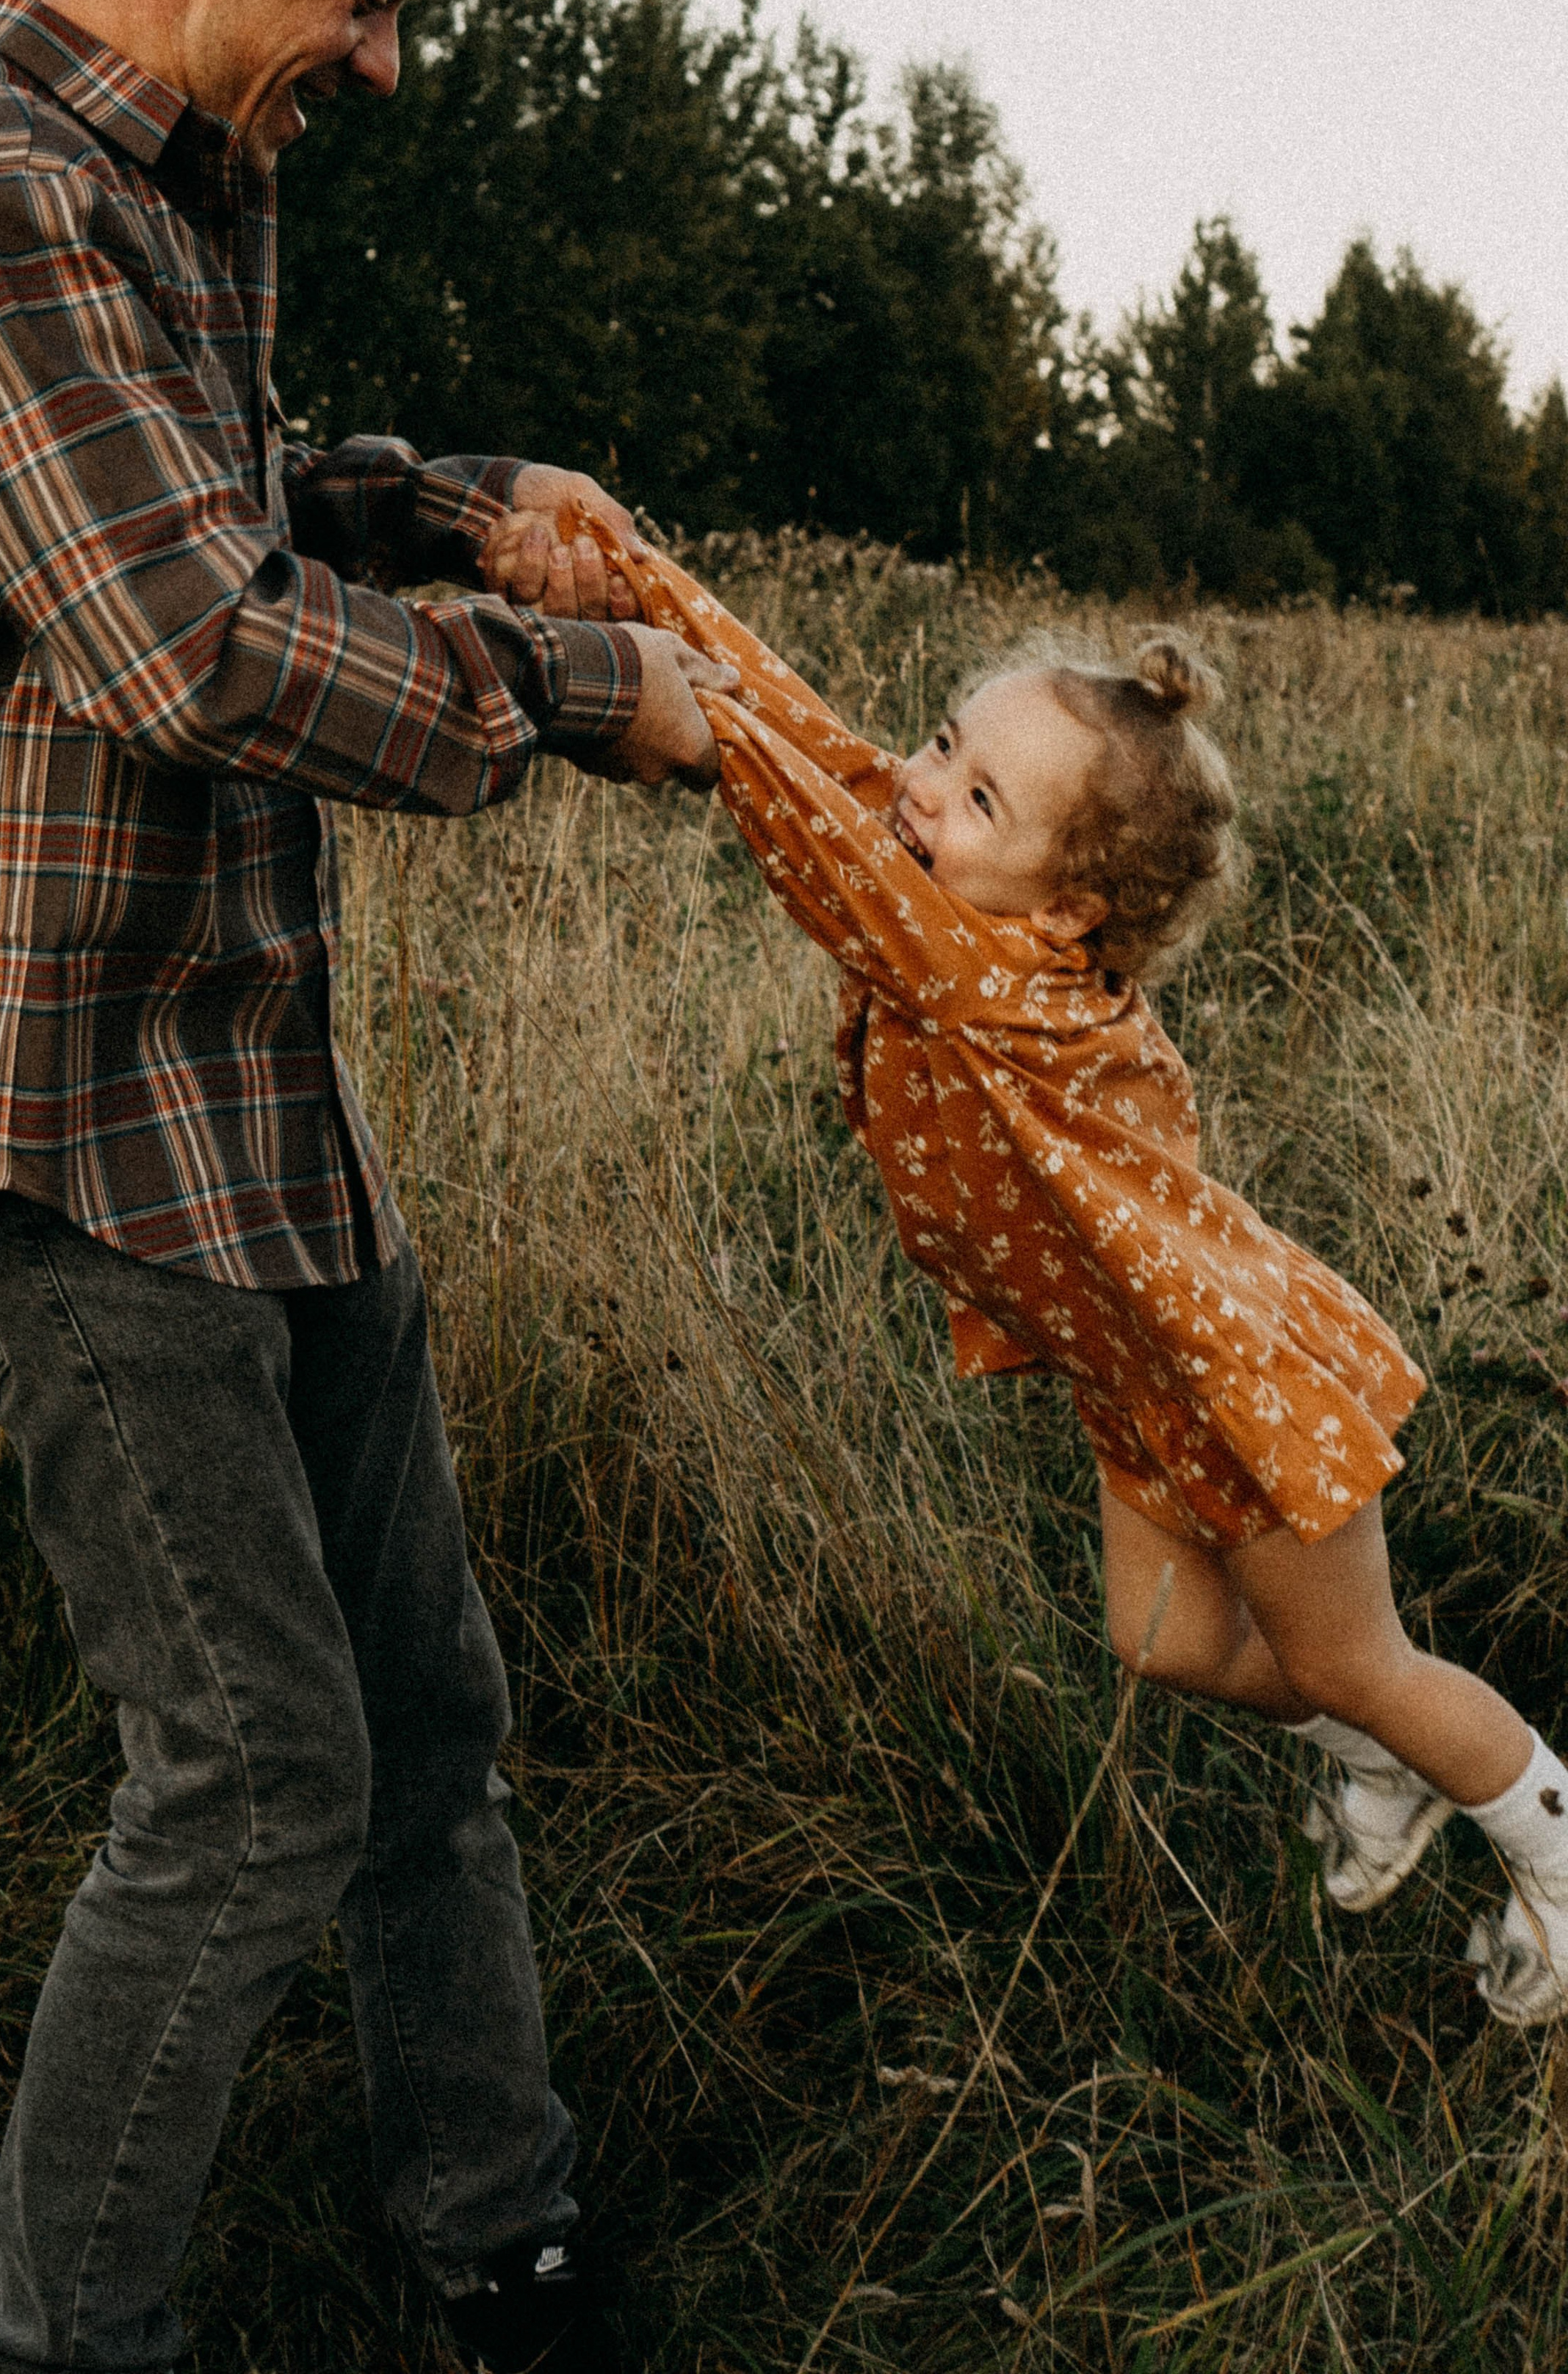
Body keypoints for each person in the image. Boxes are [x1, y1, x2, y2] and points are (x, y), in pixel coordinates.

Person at [0, 0, 734, 2374]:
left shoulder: (153, 190)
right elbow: (183, 635)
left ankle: (499, 2241)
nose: (386, 61)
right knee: (258, 1768)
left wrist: (466, 506)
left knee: (424, 1710)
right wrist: (569, 693)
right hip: (53, 1098)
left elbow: (218, 501)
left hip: (232, 1065)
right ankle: (56, 2340)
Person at [555, 498, 1568, 2025]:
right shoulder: (959, 898)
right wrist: (631, 571)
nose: (918, 789)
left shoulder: (984, 975)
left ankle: (1542, 1833)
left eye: (976, 797)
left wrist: (685, 727)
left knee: (1357, 1661)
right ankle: (1389, 1761)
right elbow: (823, 747)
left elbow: (806, 826)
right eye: (941, 743)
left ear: (1072, 905)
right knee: (1163, 1640)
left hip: (1235, 1381)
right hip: (1136, 1375)